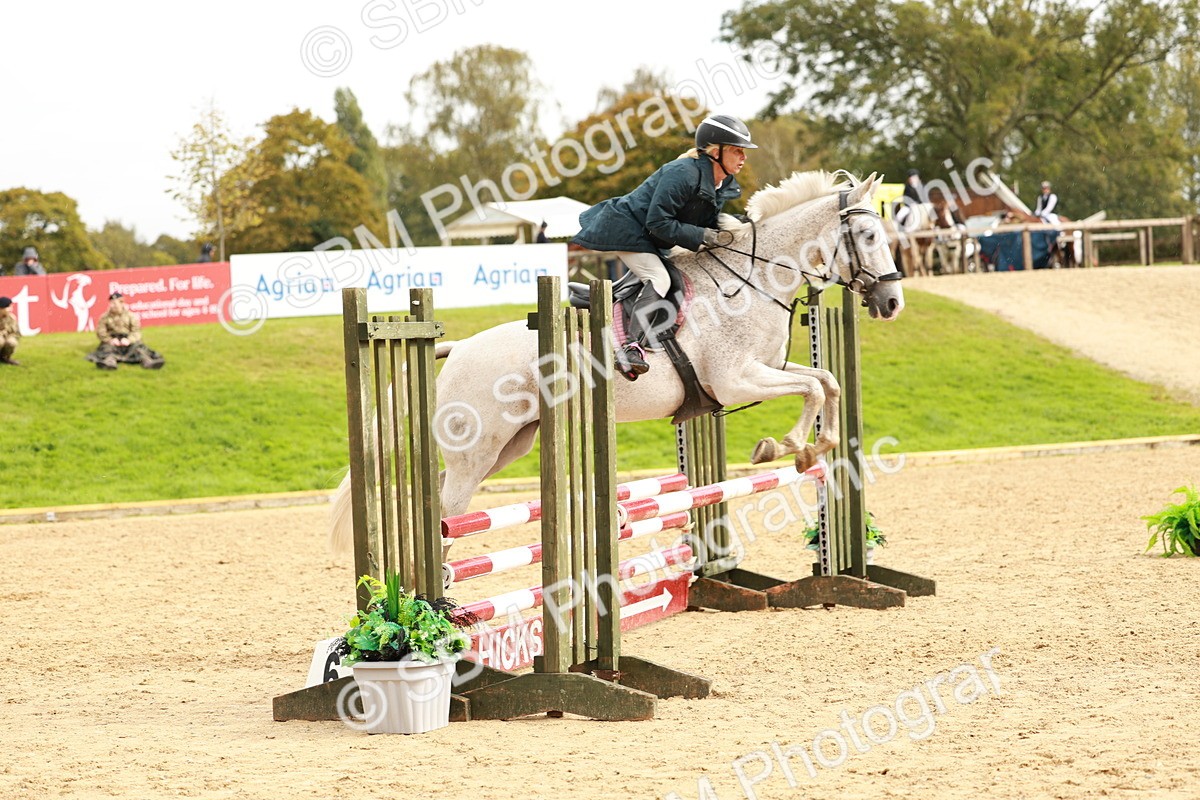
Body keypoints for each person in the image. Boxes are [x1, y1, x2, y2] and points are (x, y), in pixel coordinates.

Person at [572, 113, 755, 379]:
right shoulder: (682, 173)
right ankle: (630, 349)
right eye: (737, 150)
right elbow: (658, 222)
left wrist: (744, 224)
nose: (743, 157)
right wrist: (703, 234)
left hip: (650, 235)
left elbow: (705, 220)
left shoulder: (720, 182)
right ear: (716, 151)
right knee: (659, 278)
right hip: (628, 228)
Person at [85, 292, 165, 370]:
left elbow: (136, 331)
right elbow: (101, 332)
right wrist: (110, 340)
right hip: (112, 339)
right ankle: (109, 364)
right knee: (108, 350)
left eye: (115, 303)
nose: (113, 306)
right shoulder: (104, 317)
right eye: (111, 303)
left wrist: (129, 340)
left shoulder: (131, 316)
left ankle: (148, 363)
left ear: (122, 303)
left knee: (139, 349)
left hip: (127, 339)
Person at [0, 297, 21, 366]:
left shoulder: (11, 318)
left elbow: (16, 333)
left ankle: (5, 358)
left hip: (6, 337)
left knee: (12, 342)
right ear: (1, 308)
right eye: (8, 307)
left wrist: (7, 337)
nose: (10, 309)